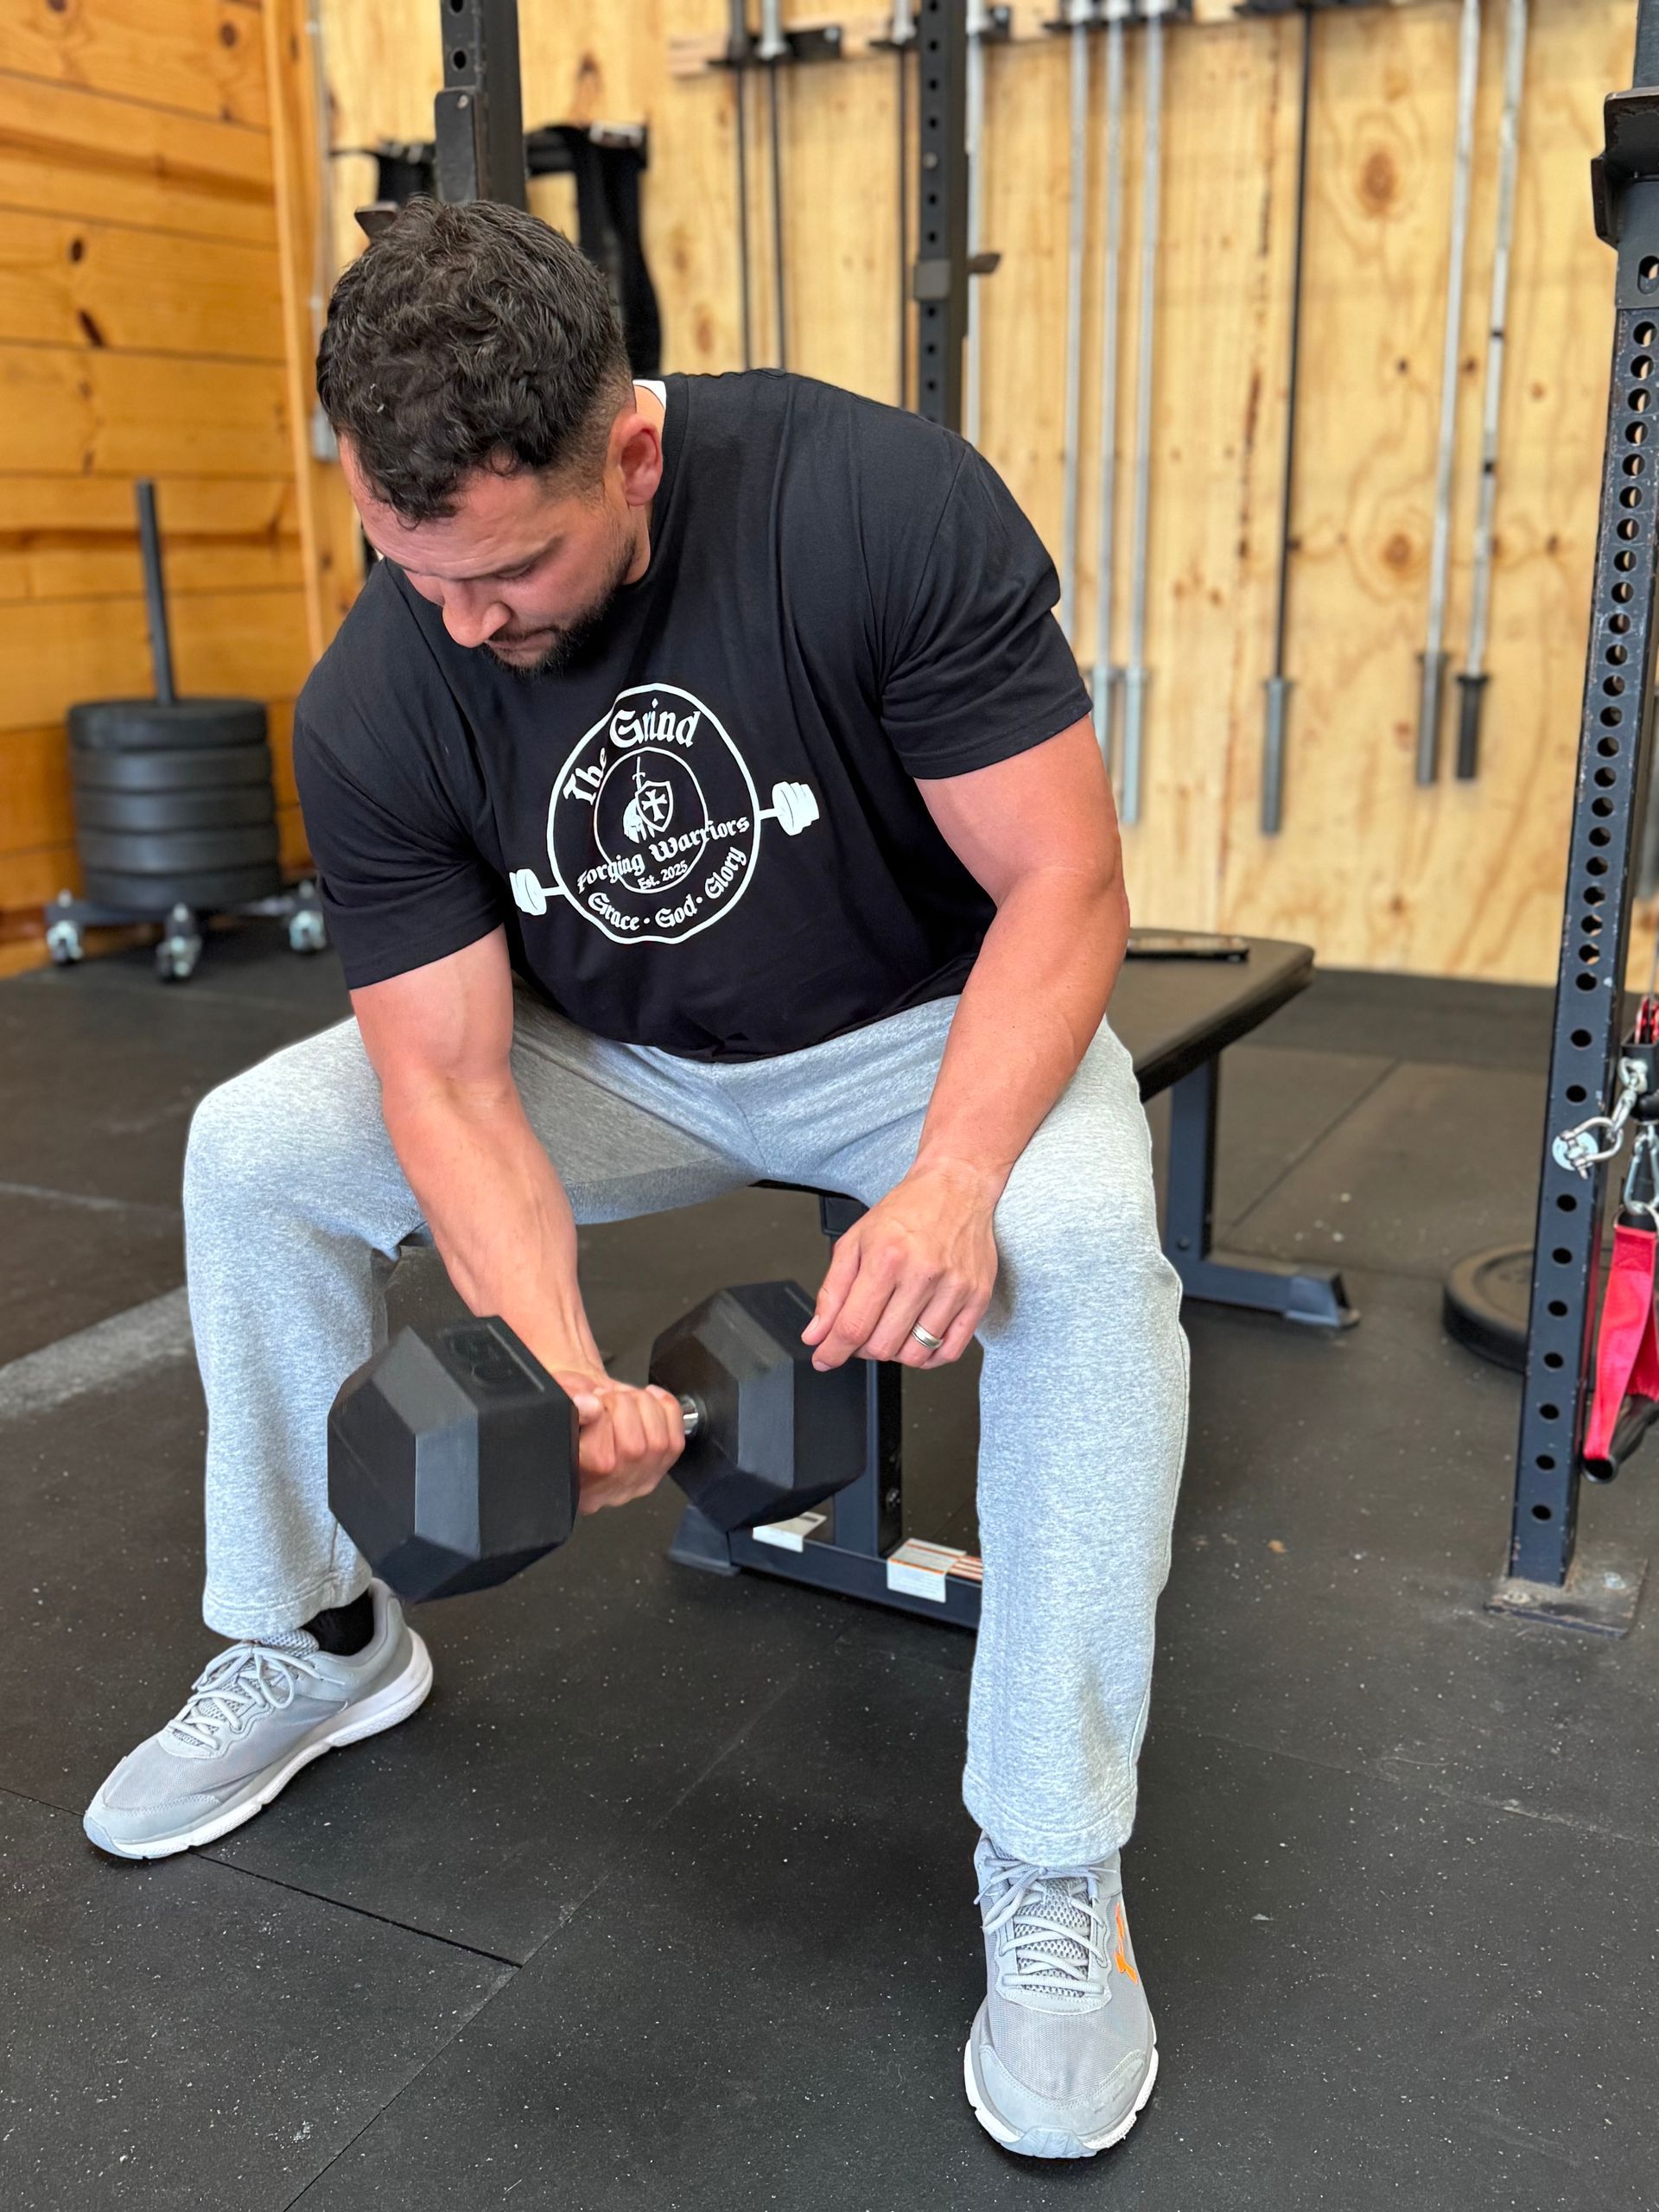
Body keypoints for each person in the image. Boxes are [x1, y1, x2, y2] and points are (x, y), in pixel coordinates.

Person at [82, 199, 1188, 2162]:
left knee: (1091, 1249)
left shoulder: (876, 506)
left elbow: (1064, 885)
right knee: (256, 1142)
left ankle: (1055, 1858)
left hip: (924, 1025)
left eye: (508, 569)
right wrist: (555, 1368)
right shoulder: (383, 687)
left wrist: (949, 1181)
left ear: (637, 455)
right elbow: (447, 1075)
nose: (458, 620)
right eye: (404, 564)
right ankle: (315, 1636)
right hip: (616, 1054)